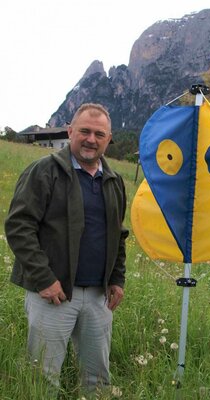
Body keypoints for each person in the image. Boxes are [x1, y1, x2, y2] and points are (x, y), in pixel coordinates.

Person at [5, 103, 129, 395]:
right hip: (53, 295)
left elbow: (118, 234)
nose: (91, 139)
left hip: (99, 297)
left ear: (108, 139)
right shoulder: (44, 171)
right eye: (84, 131)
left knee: (97, 380)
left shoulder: (114, 181)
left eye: (99, 134)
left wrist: (117, 278)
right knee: (43, 380)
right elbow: (19, 226)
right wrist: (43, 279)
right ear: (70, 131)